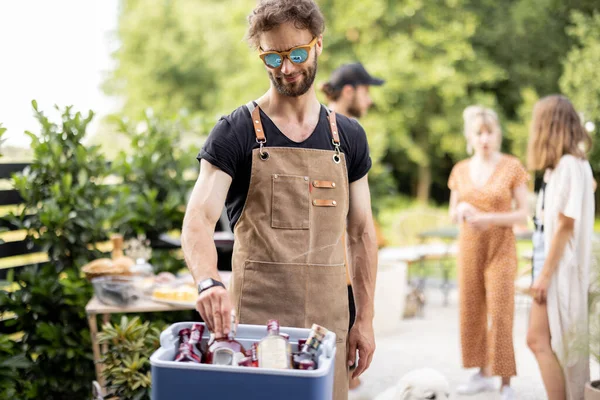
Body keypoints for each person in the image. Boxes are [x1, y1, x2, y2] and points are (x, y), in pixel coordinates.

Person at [181, 1, 378, 399]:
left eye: (297, 54)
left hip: (328, 331)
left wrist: (366, 320)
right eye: (272, 56)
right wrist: (207, 281)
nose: (286, 68)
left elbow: (361, 234)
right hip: (254, 329)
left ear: (318, 45)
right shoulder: (235, 132)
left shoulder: (349, 137)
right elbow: (198, 219)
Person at [448, 106, 529, 400]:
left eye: (489, 132)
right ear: (470, 136)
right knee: (470, 310)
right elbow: (452, 212)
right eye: (478, 132)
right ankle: (479, 373)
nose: (484, 138)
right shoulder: (460, 170)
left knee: (501, 311)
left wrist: (490, 219)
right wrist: (464, 210)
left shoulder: (512, 167)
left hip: (501, 247)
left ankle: (505, 382)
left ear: (498, 134)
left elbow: (523, 214)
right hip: (470, 246)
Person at [526, 95, 594, 400]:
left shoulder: (570, 165)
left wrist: (543, 276)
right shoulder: (562, 168)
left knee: (540, 340)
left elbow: (566, 225)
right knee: (549, 341)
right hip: (550, 265)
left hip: (558, 269)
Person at [321, 62, 384, 390]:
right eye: (366, 91)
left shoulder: (346, 128)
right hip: (335, 267)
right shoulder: (341, 130)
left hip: (342, 264)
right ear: (349, 91)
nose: (370, 100)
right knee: (343, 370)